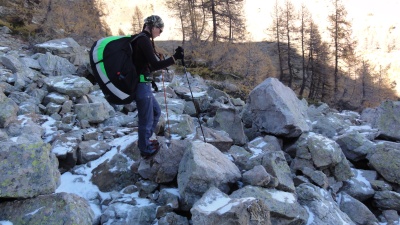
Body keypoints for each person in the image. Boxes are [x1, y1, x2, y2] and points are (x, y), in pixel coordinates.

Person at [132, 15, 184, 159]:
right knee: (146, 118)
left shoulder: (141, 39)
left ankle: (146, 141)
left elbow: (147, 64)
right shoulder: (143, 40)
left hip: (144, 84)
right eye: (160, 30)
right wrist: (174, 58)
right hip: (141, 85)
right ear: (153, 27)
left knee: (155, 112)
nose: (160, 33)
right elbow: (155, 65)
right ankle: (145, 149)